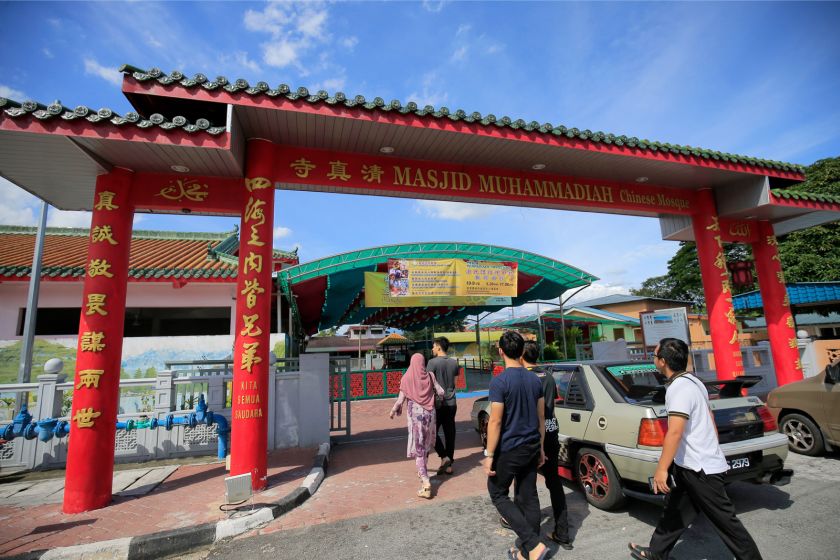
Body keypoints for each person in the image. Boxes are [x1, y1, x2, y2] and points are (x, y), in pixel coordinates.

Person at [628, 338, 763, 560]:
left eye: (654, 355)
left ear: (663, 362)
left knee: (727, 523)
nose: (653, 359)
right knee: (675, 511)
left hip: (701, 470)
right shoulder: (694, 381)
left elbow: (675, 432)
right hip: (688, 465)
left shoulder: (679, 388)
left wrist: (662, 469)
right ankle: (657, 552)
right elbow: (709, 417)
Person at [484, 331, 549, 560]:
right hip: (532, 445)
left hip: (510, 448)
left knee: (497, 493)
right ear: (522, 351)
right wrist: (541, 447)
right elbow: (541, 418)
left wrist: (489, 454)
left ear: (501, 351)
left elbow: (496, 420)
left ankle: (532, 544)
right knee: (528, 496)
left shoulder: (499, 381)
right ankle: (527, 550)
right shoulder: (534, 379)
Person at [517, 340, 572, 550]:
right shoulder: (548, 376)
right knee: (554, 483)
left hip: (532, 435)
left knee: (525, 483)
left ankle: (528, 535)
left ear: (521, 355)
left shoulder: (524, 378)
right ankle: (563, 532)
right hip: (551, 431)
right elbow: (553, 402)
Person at [389, 353, 444, 499]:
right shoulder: (430, 376)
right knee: (425, 446)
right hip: (430, 417)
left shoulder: (406, 377)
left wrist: (393, 410)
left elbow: (400, 399)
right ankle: (422, 471)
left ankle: (426, 483)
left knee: (418, 448)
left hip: (416, 419)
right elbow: (441, 392)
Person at [427, 336, 460, 475]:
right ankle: (449, 464)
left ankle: (444, 456)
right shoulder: (454, 363)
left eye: (434, 346)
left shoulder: (432, 363)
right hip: (452, 403)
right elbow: (455, 383)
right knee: (450, 432)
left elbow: (428, 384)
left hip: (437, 403)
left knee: (430, 432)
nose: (432, 348)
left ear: (439, 347)